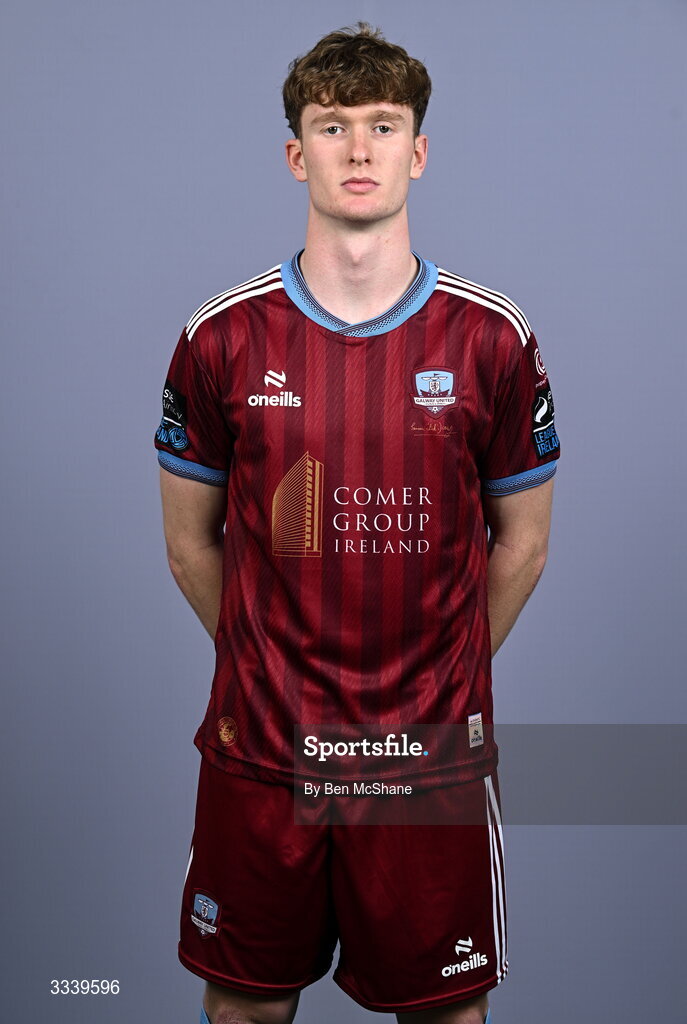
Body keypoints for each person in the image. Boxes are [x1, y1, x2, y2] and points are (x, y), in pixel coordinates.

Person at [154, 21, 560, 1024]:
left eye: (383, 124)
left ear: (418, 151)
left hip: (426, 762)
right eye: (331, 127)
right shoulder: (221, 336)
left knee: (443, 1012)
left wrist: (441, 677)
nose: (359, 149)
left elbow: (524, 542)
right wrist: (266, 662)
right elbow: (189, 543)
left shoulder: (491, 338)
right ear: (297, 155)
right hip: (264, 751)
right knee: (243, 1007)